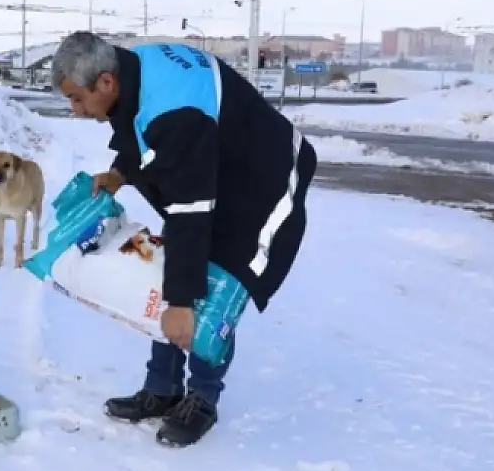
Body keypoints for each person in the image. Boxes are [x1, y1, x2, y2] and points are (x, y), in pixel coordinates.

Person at [50, 32, 317, 448]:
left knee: (211, 291)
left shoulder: (177, 114)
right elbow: (137, 127)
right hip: (213, 163)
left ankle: (202, 398)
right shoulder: (128, 68)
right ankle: (163, 388)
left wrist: (179, 304)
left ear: (105, 82)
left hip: (262, 184)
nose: (75, 110)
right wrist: (121, 172)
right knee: (171, 268)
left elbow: (191, 210)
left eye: (77, 99)